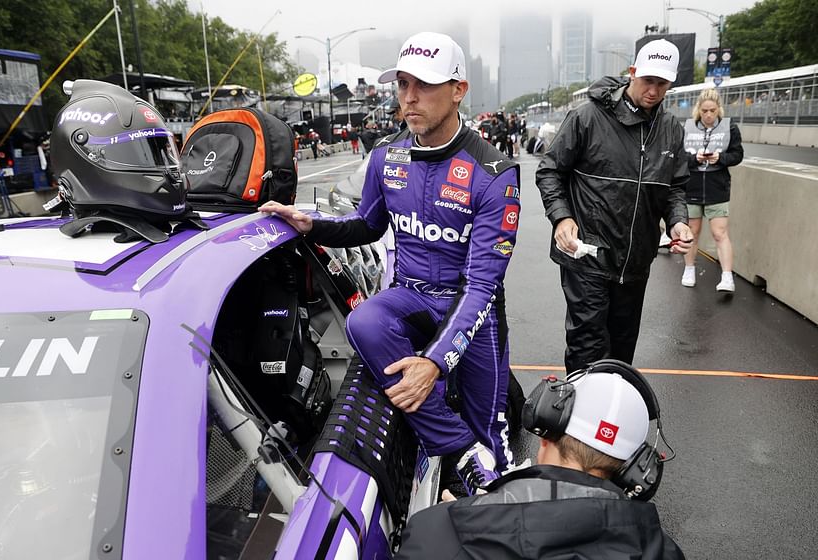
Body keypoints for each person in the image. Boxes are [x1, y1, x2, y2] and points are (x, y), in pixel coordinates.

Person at [259, 31, 520, 495]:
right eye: (402, 84)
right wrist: (310, 225)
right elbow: (366, 226)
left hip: (473, 312)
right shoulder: (386, 155)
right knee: (365, 321)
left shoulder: (495, 172)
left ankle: (481, 477)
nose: (409, 97)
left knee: (494, 453)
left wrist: (434, 364)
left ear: (459, 90)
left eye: (424, 84)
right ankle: (455, 448)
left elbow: (482, 285)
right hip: (414, 296)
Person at [395, 360, 685, 559]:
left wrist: (464, 517)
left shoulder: (434, 532)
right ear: (635, 473)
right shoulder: (663, 551)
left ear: (545, 435)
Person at [535, 39, 693, 373]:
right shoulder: (587, 116)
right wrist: (561, 217)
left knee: (622, 349)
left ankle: (611, 418)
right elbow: (550, 169)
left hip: (636, 259)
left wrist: (678, 221)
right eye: (647, 80)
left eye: (661, 83)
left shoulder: (671, 129)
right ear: (632, 73)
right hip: (587, 252)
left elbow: (675, 188)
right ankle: (580, 420)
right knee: (588, 343)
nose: (653, 90)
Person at [680, 88, 744, 292]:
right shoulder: (687, 128)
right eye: (705, 110)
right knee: (692, 232)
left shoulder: (730, 128)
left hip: (717, 187)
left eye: (713, 111)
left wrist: (720, 158)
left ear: (719, 110)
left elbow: (737, 155)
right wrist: (694, 159)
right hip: (692, 186)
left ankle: (727, 277)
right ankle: (689, 269)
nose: (708, 115)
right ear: (698, 109)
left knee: (719, 233)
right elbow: (679, 158)